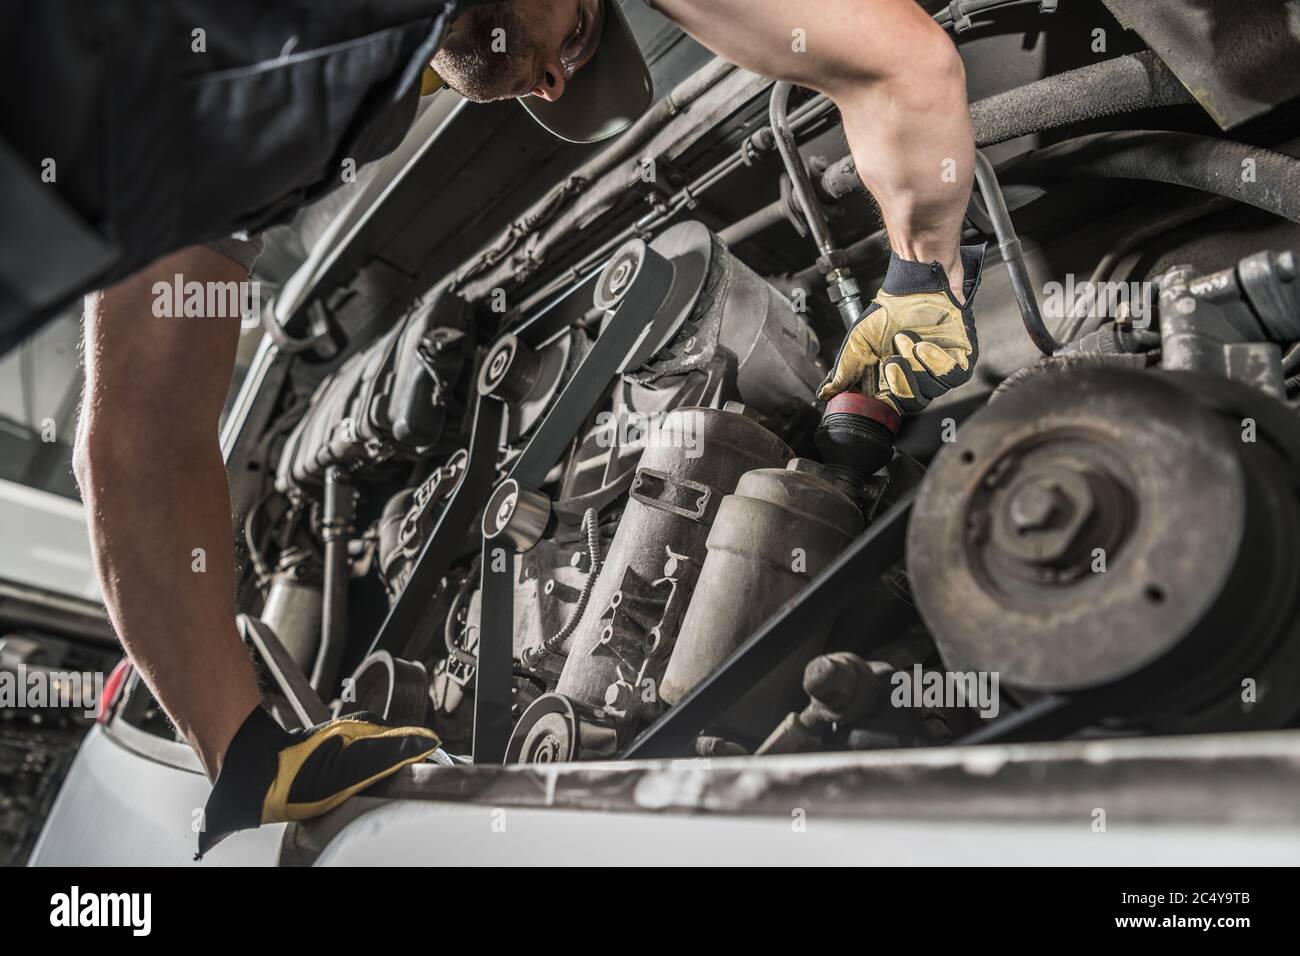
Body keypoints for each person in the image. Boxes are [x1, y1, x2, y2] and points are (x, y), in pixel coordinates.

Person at [6, 0, 981, 855]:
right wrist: (917, 278)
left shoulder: (280, 141)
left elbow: (142, 436)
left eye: (548, 85)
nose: (552, 75)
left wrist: (242, 746)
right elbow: (901, 62)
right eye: (584, 26)